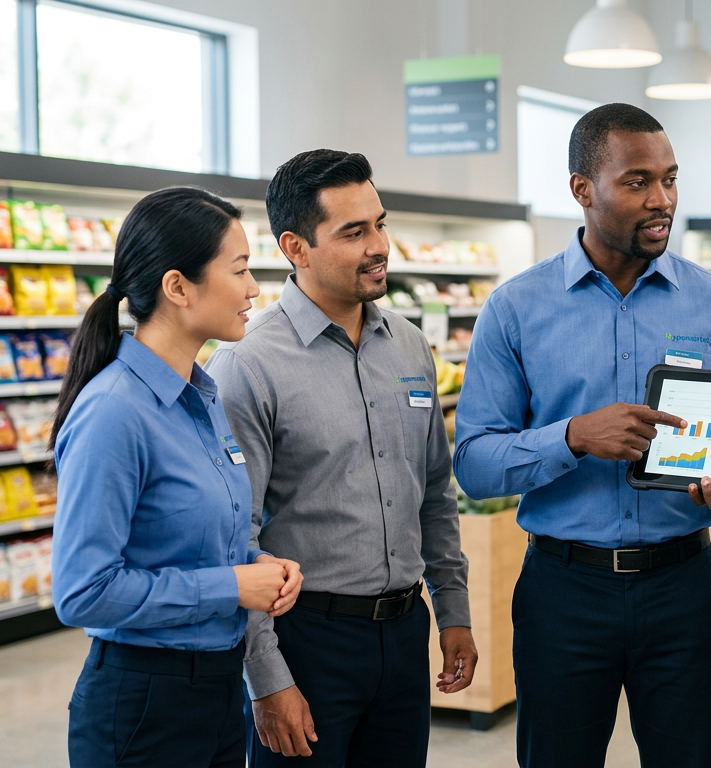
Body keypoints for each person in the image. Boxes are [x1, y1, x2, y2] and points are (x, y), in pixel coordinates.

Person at [453, 103, 711, 768]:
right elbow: (474, 464)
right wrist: (573, 438)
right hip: (564, 592)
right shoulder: (515, 308)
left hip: (685, 588)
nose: (662, 202)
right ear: (582, 190)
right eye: (638, 182)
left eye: (671, 180)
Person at [205, 149, 475, 768]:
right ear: (295, 247)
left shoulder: (408, 345)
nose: (379, 245)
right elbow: (233, 538)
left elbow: (432, 489)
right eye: (353, 232)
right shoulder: (248, 366)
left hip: (406, 631)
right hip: (307, 640)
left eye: (379, 223)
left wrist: (452, 610)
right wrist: (266, 678)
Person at [52, 186, 304, 768]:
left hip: (217, 689)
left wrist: (254, 567)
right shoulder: (115, 410)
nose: (253, 289)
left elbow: (196, 538)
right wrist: (232, 587)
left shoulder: (202, 393)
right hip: (143, 704)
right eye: (239, 270)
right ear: (177, 287)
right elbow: (82, 591)